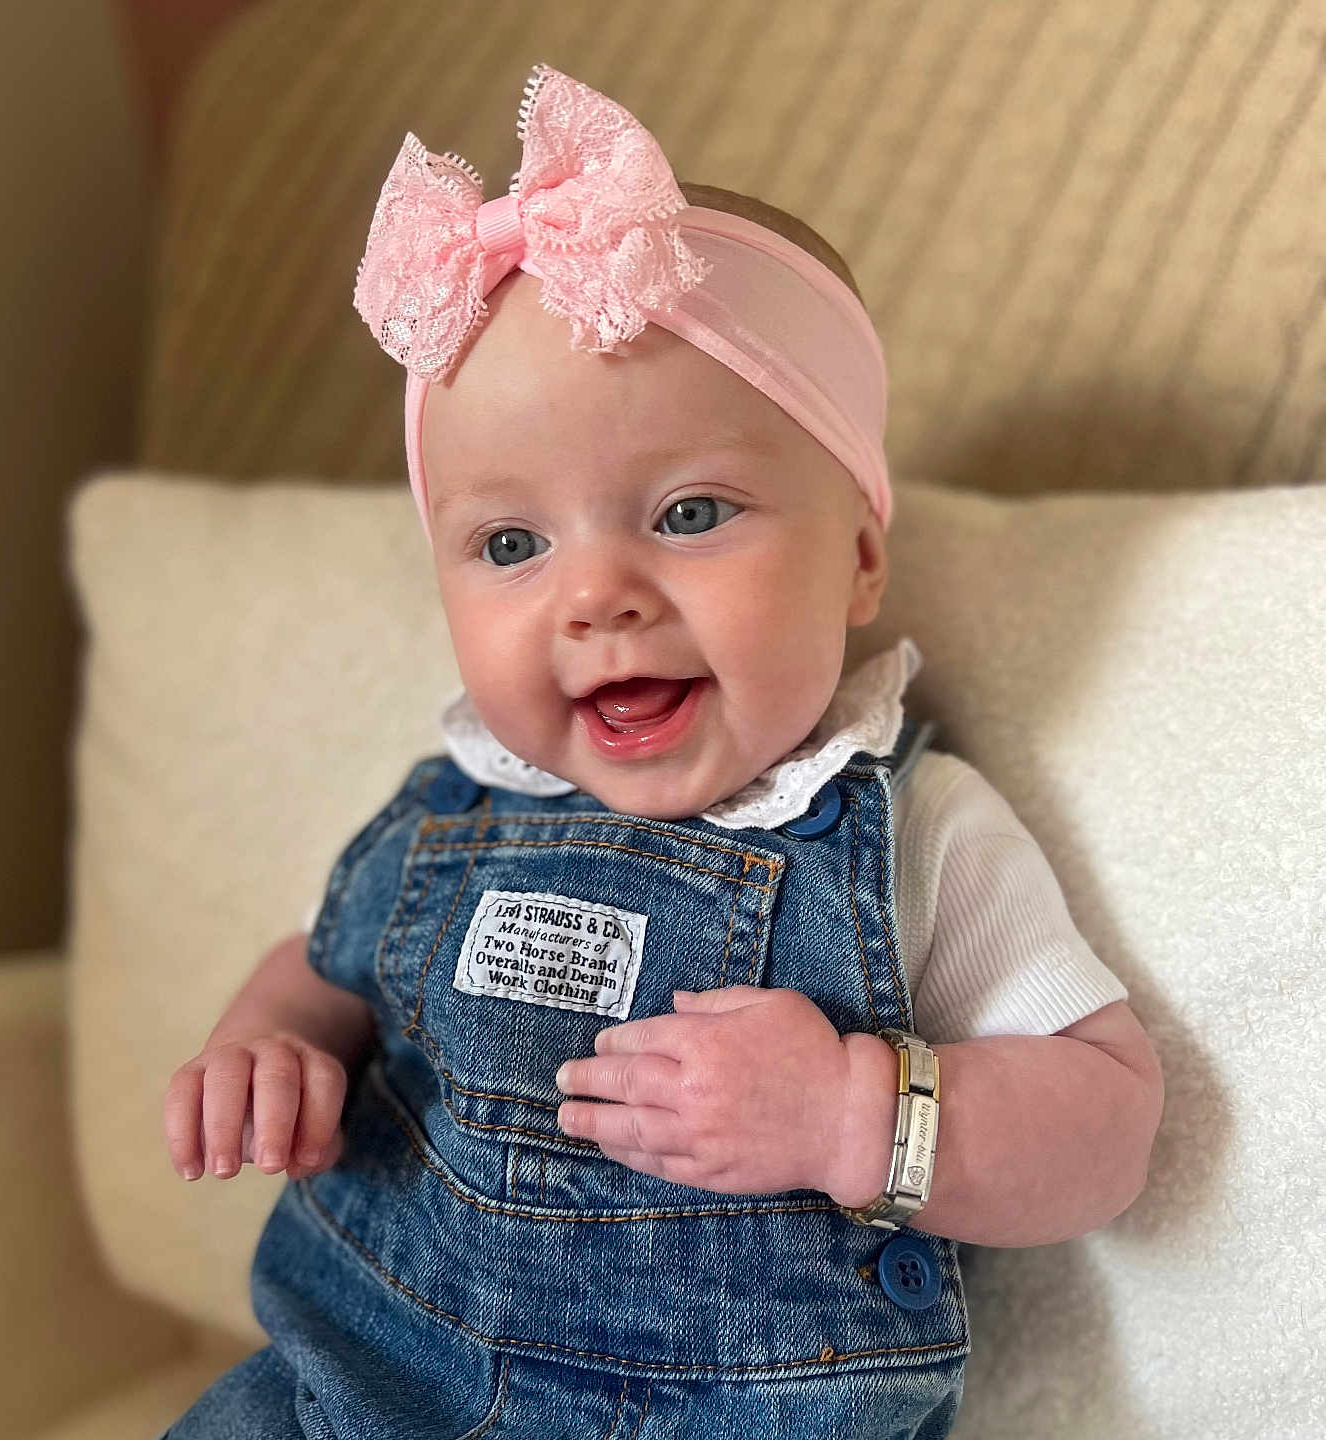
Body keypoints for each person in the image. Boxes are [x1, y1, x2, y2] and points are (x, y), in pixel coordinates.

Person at [160, 63, 1164, 1439]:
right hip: (356, 1383)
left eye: (691, 512)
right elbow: (325, 965)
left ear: (861, 558)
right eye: (512, 545)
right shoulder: (459, 802)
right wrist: (270, 1043)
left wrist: (850, 1113)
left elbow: (1107, 1125)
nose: (597, 595)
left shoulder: (904, 829)